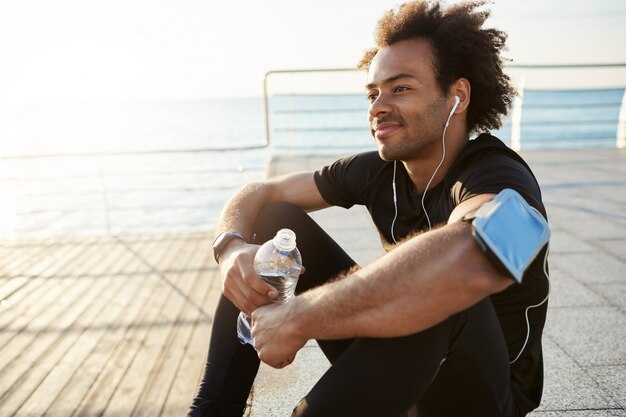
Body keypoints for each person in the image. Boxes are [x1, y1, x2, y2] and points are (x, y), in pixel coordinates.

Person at [187, 1, 550, 416]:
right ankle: (213, 409)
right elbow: (259, 192)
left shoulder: (501, 178)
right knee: (273, 221)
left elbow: (473, 261)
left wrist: (299, 318)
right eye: (373, 93)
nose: (377, 106)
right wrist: (230, 248)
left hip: (481, 394)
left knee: (444, 283)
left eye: (400, 88)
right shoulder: (380, 171)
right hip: (404, 363)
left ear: (457, 96)